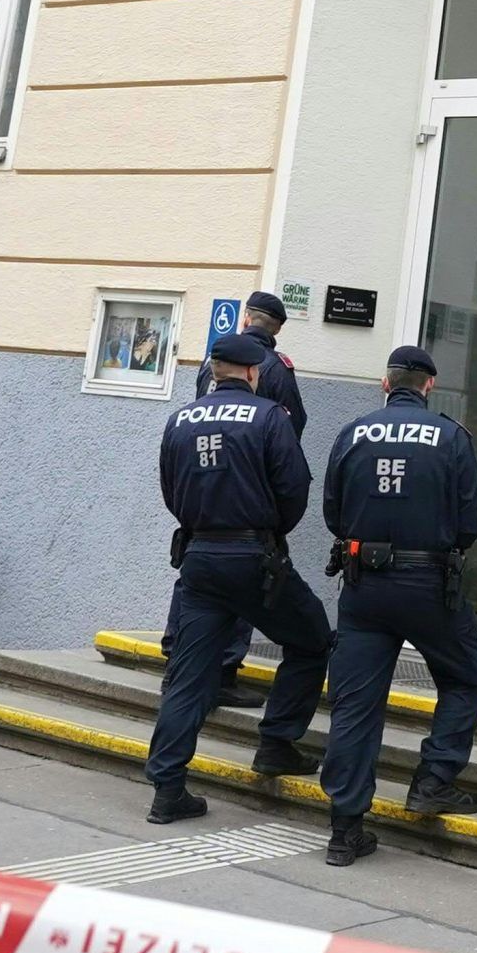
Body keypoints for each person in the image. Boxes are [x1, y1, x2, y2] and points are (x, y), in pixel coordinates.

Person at [144, 331, 333, 824]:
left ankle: (167, 788)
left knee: (189, 674)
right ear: (253, 373)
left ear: (213, 371)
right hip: (254, 556)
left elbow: (170, 489)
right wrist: (268, 530)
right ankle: (276, 743)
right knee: (313, 638)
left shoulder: (179, 420)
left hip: (201, 555)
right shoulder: (270, 417)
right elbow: (294, 487)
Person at [316, 343, 477, 869]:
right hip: (429, 584)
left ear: (385, 384)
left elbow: (332, 512)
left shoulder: (353, 432)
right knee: (467, 672)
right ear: (429, 386)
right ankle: (433, 780)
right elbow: (468, 525)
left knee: (356, 705)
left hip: (364, 586)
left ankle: (345, 831)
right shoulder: (452, 437)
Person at [173, 290, 306, 699]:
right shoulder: (277, 369)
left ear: (246, 319)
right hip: (251, 494)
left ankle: (177, 654)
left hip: (204, 485)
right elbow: (291, 432)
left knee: (197, 569)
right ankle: (225, 668)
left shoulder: (213, 363)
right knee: (249, 574)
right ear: (277, 329)